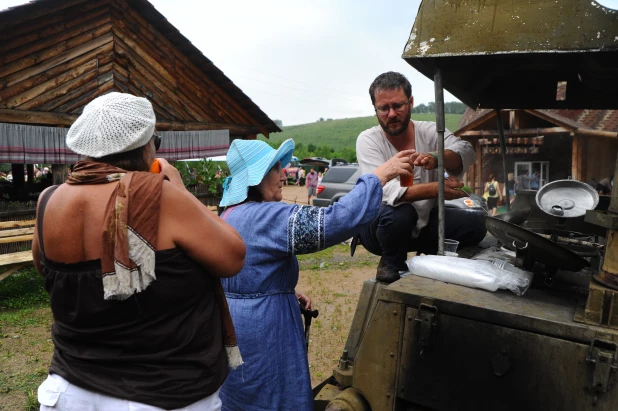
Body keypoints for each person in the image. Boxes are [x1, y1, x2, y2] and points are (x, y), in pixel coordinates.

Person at [34, 92, 246, 411]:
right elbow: (233, 256)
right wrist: (181, 192)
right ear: (145, 146)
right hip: (161, 394)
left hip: (71, 387)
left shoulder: (48, 201)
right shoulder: (160, 197)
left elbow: (45, 268)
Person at [217, 138, 414, 411]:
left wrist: (281, 289)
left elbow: (240, 274)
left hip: (234, 327)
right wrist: (378, 176)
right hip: (264, 332)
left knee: (242, 397)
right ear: (258, 178)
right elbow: (332, 222)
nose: (284, 173)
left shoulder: (228, 215)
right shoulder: (268, 217)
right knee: (271, 399)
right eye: (276, 168)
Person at [356, 71, 487, 283]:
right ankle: (391, 262)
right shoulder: (368, 140)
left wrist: (437, 158)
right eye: (383, 108)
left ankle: (427, 256)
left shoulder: (430, 132)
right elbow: (385, 193)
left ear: (411, 102)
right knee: (399, 214)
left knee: (477, 222)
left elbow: (465, 151)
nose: (391, 114)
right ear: (375, 109)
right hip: (381, 228)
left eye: (398, 105)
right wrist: (438, 188)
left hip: (422, 225)